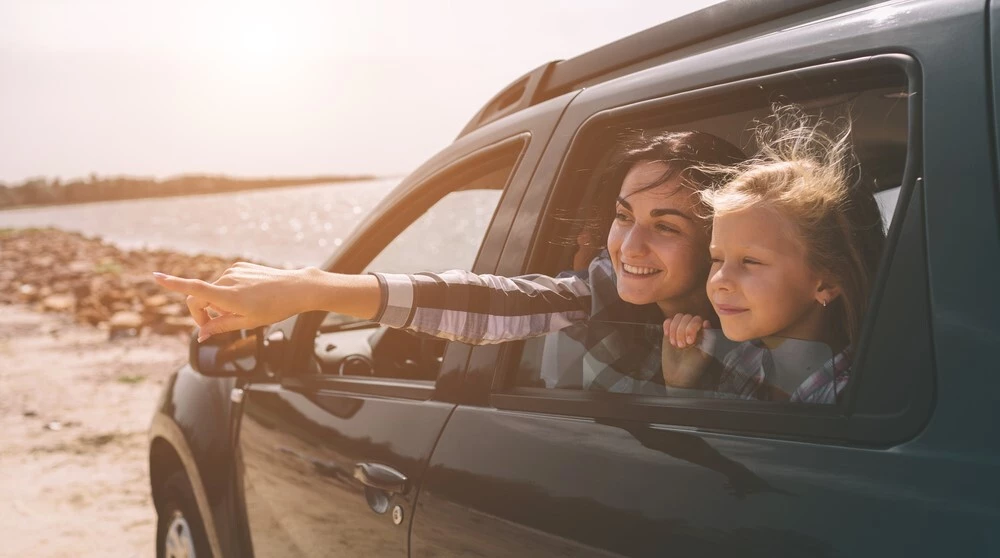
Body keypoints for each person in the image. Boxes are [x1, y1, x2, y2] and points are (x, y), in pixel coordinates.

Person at [152, 130, 746, 394]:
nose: (629, 246)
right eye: (623, 216)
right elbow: (493, 303)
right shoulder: (598, 289)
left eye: (666, 226)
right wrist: (310, 288)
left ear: (721, 236)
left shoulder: (767, 330)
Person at [662, 108, 885, 403]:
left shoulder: (859, 399)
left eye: (750, 261)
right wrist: (679, 389)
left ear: (826, 282)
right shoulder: (739, 365)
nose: (719, 280)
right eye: (716, 258)